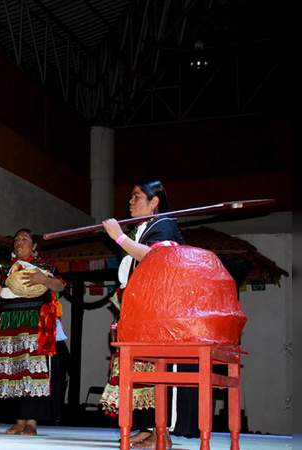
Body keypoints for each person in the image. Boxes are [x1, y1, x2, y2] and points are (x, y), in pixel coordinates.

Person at [99, 179, 189, 449]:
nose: (130, 201)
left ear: (154, 202)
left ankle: (164, 432)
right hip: (136, 307)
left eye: (137, 196)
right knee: (141, 369)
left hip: (159, 309)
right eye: (130, 196)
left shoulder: (165, 225)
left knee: (160, 368)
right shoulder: (142, 228)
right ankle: (148, 426)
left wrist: (118, 236)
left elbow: (153, 257)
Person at [0, 229, 66, 436]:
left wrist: (44, 280)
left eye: (24, 239)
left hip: (34, 319)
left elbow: (60, 285)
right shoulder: (4, 268)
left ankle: (31, 422)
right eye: (16, 239)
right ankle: (19, 420)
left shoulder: (44, 267)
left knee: (32, 370)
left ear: (34, 246)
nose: (19, 242)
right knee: (13, 370)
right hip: (10, 320)